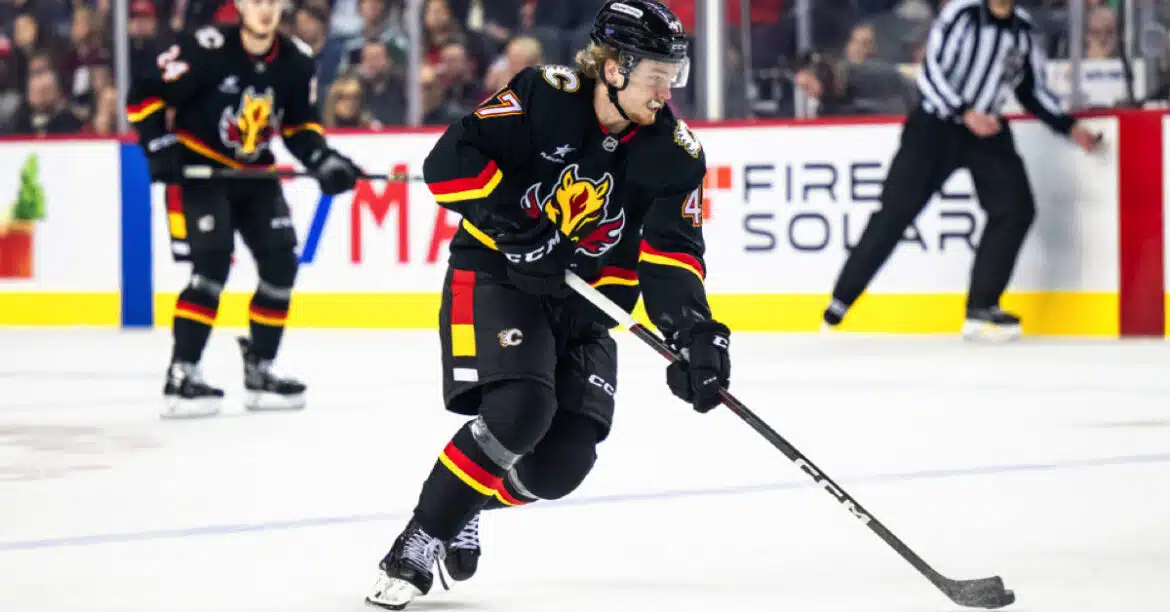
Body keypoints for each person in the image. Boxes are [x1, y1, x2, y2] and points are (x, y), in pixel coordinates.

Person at [365, 1, 732, 609]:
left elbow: (672, 255)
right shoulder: (545, 95)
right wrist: (516, 227)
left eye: (675, 74)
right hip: (499, 277)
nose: (668, 91)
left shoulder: (675, 153)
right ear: (614, 67)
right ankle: (418, 541)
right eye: (656, 75)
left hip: (585, 308)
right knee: (521, 409)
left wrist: (696, 334)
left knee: (558, 467)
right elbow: (449, 161)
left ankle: (466, 503)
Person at [125, 0, 363, 418]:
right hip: (202, 171)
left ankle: (261, 368)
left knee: (280, 264)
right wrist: (158, 144)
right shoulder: (206, 47)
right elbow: (144, 93)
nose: (265, 10)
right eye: (256, 1)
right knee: (211, 267)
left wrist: (323, 160)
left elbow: (299, 125)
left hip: (254, 176)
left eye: (272, 2)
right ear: (239, 6)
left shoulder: (296, 60)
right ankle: (182, 374)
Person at [821, 0, 1102, 341]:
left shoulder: (1023, 30)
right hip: (936, 125)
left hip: (986, 129)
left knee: (1015, 208)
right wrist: (964, 110)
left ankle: (982, 307)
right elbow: (932, 71)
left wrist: (1069, 127)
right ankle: (840, 301)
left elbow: (1031, 90)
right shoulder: (962, 13)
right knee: (895, 211)